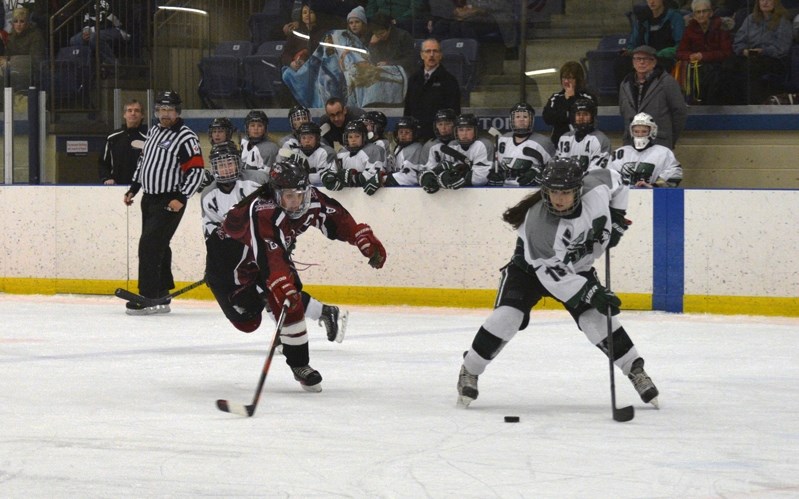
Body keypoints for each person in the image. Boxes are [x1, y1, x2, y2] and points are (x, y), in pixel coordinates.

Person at [456, 157, 660, 410]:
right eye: (553, 192)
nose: (558, 199)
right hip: (529, 270)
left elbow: (618, 182)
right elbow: (554, 277)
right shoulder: (539, 226)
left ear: (578, 190)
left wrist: (617, 216)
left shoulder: (596, 187)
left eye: (565, 192)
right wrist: (591, 292)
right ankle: (470, 369)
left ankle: (636, 371)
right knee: (507, 317)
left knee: (595, 319)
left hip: (578, 267)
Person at [221, 158, 387, 391]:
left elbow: (335, 218)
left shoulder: (310, 200)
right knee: (248, 321)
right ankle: (310, 313)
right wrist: (279, 280)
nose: (296, 201)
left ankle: (301, 366)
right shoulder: (263, 209)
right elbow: (269, 255)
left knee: (289, 300)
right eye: (289, 195)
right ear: (276, 193)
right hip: (229, 260)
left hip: (267, 255)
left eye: (300, 194)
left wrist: (359, 236)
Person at [201, 142, 347, 344]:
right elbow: (211, 234)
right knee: (258, 300)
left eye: (229, 164)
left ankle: (294, 327)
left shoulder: (258, 181)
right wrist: (217, 264)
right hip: (239, 256)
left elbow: (283, 208)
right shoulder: (208, 195)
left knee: (272, 288)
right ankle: (324, 312)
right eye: (221, 165)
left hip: (265, 246)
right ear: (214, 168)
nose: (226, 169)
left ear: (238, 163)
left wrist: (285, 237)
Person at [122, 90, 205, 315]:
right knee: (159, 245)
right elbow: (144, 162)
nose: (164, 114)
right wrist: (134, 188)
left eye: (169, 110)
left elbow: (197, 171)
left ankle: (148, 296)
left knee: (148, 244)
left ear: (177, 111)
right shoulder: (154, 131)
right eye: (161, 109)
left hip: (170, 200)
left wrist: (182, 197)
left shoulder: (186, 136)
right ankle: (161, 292)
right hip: (149, 199)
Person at [619, 45, 687, 150]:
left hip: (659, 144)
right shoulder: (625, 83)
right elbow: (623, 112)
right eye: (637, 59)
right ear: (633, 62)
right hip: (630, 144)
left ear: (654, 62)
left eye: (646, 59)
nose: (641, 62)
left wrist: (670, 139)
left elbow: (679, 112)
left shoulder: (667, 82)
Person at [726, 0, 793, 104]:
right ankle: (732, 105)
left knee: (749, 67)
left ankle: (755, 105)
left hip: (773, 59)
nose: (765, 2)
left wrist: (763, 51)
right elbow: (738, 41)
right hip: (750, 55)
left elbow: (782, 48)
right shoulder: (750, 19)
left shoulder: (783, 21)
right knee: (728, 64)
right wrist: (743, 50)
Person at [402, 38, 462, 143]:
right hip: (416, 136)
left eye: (435, 51)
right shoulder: (413, 79)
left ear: (440, 55)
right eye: (428, 51)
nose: (431, 55)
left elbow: (454, 112)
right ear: (421, 55)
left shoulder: (449, 80)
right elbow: (408, 109)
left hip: (438, 138)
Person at [675, 0, 734, 105]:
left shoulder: (721, 27)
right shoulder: (690, 29)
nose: (701, 15)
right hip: (697, 66)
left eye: (704, 11)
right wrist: (690, 55)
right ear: (694, 15)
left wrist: (703, 56)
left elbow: (727, 52)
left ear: (711, 13)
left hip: (718, 65)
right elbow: (680, 52)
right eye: (698, 12)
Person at [488, 102, 556, 187]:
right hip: (503, 191)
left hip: (532, 192)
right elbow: (496, 166)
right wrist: (494, 174)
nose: (521, 119)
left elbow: (553, 170)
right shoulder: (502, 140)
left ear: (531, 119)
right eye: (517, 117)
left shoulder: (544, 142)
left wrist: (538, 175)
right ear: (512, 119)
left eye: (525, 117)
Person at [419, 113, 492, 192]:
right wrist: (436, 176)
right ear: (456, 131)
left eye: (469, 129)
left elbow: (480, 179)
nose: (464, 134)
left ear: (475, 130)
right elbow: (447, 172)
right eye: (461, 130)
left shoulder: (483, 145)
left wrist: (456, 176)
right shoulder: (452, 145)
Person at [609, 112, 683, 188]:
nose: (640, 135)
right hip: (623, 196)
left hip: (653, 196)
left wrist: (653, 186)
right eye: (636, 131)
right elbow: (610, 176)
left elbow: (673, 176)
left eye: (644, 131)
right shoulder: (620, 153)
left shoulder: (663, 153)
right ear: (631, 132)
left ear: (652, 131)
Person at [617, 0, 686, 78]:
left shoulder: (674, 17)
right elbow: (632, 44)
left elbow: (681, 45)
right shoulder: (641, 19)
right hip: (643, 56)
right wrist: (628, 51)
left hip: (664, 57)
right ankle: (626, 90)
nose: (652, 1)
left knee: (655, 66)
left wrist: (663, 53)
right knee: (621, 62)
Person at [322, 120, 385, 195]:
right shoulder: (342, 153)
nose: (353, 140)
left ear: (364, 137)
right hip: (346, 196)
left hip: (372, 196)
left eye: (357, 136)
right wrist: (328, 177)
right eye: (350, 137)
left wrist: (352, 177)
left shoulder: (374, 150)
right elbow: (332, 170)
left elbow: (374, 177)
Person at [542, 61, 597, 146]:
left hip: (584, 144)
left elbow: (582, 118)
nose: (566, 81)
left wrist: (571, 99)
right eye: (564, 78)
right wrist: (567, 107)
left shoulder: (588, 97)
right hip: (559, 144)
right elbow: (548, 118)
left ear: (578, 80)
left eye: (570, 78)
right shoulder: (555, 98)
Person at [556, 98, 612, 173]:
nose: (581, 118)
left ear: (592, 117)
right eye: (578, 114)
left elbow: (596, 172)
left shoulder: (601, 139)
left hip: (591, 183)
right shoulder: (565, 138)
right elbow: (558, 166)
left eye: (585, 114)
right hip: (568, 182)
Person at [99, 99, 147, 185]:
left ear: (142, 115)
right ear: (124, 115)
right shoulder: (112, 137)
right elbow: (103, 163)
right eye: (129, 110)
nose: (133, 113)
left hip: (143, 188)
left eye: (137, 110)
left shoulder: (149, 138)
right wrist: (107, 178)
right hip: (117, 188)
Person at [69, 0, 131, 66]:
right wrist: (86, 31)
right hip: (95, 31)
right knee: (74, 40)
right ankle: (85, 68)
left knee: (94, 37)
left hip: (116, 29)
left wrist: (93, 30)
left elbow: (115, 21)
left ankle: (114, 65)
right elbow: (86, 19)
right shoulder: (89, 2)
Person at [281, 121, 337, 186]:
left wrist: (304, 175)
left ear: (317, 139)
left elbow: (328, 177)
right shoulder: (295, 152)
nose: (307, 141)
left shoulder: (327, 152)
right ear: (299, 139)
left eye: (310, 137)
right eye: (303, 138)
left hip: (323, 191)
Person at [2, 7, 44, 88]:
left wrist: (11, 63)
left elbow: (35, 61)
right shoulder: (11, 37)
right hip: (13, 70)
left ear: (27, 23)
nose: (18, 24)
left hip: (31, 73)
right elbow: (7, 55)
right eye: (15, 21)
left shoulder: (36, 36)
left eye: (22, 21)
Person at [417, 108, 457, 193]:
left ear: (455, 125)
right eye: (440, 124)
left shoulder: (461, 144)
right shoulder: (430, 145)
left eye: (447, 124)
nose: (443, 128)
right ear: (435, 126)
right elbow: (425, 171)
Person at [366, 13, 417, 77]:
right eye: (376, 34)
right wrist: (372, 45)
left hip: (402, 73)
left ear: (389, 28)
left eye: (382, 33)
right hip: (383, 72)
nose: (379, 36)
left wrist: (389, 64)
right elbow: (372, 60)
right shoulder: (376, 39)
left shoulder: (403, 36)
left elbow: (410, 60)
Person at [281, 2, 327, 72]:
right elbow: (286, 53)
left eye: (311, 12)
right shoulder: (295, 33)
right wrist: (291, 63)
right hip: (298, 67)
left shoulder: (323, 33)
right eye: (304, 13)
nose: (307, 15)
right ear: (301, 16)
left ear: (317, 14)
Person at [383, 116, 425, 186]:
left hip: (413, 191)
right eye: (401, 132)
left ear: (415, 133)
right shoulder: (399, 148)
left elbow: (410, 176)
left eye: (407, 132)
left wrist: (384, 179)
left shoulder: (415, 148)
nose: (403, 135)